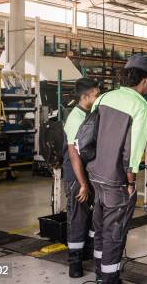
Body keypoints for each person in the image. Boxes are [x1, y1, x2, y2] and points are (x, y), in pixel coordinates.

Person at [87, 54, 147, 284]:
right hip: (117, 180)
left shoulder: (103, 98)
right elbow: (134, 151)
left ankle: (98, 273)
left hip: (95, 174)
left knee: (99, 229)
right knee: (115, 232)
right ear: (145, 80)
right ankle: (110, 278)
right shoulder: (140, 106)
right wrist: (131, 182)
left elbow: (90, 137)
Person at [63, 77, 100, 278]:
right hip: (77, 176)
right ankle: (74, 263)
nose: (98, 97)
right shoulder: (75, 118)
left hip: (88, 174)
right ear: (85, 96)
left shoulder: (90, 114)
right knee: (78, 217)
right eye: (95, 94)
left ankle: (89, 252)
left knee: (93, 216)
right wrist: (83, 184)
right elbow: (73, 153)